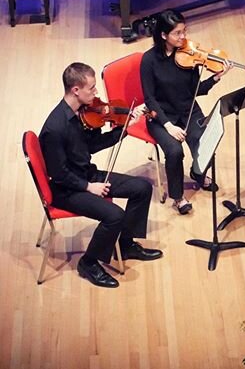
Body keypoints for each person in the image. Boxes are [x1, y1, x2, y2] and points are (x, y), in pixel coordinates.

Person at [39, 63, 163, 288]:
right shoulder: (55, 128)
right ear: (76, 90)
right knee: (114, 215)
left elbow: (93, 145)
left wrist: (124, 128)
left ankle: (125, 245)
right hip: (66, 189)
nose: (97, 94)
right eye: (92, 89)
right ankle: (88, 262)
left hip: (86, 174)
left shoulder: (83, 114)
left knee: (142, 189)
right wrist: (88, 187)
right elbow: (58, 174)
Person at [141, 9, 232, 215]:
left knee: (205, 140)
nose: (183, 37)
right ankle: (178, 197)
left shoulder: (188, 56)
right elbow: (150, 99)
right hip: (161, 116)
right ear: (164, 35)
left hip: (187, 109)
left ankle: (198, 173)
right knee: (174, 152)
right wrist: (169, 126)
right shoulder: (149, 60)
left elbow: (195, 90)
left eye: (184, 31)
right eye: (177, 33)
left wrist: (216, 78)